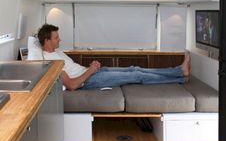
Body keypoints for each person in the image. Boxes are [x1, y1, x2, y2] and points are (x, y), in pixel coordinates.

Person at [34, 24, 190, 91]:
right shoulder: (50, 63)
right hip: (89, 81)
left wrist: (91, 67)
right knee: (137, 75)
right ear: (47, 41)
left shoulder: (57, 52)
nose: (59, 40)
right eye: (56, 38)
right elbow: (72, 85)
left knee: (134, 69)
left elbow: (75, 70)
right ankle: (180, 76)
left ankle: (179, 71)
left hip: (90, 73)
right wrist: (91, 71)